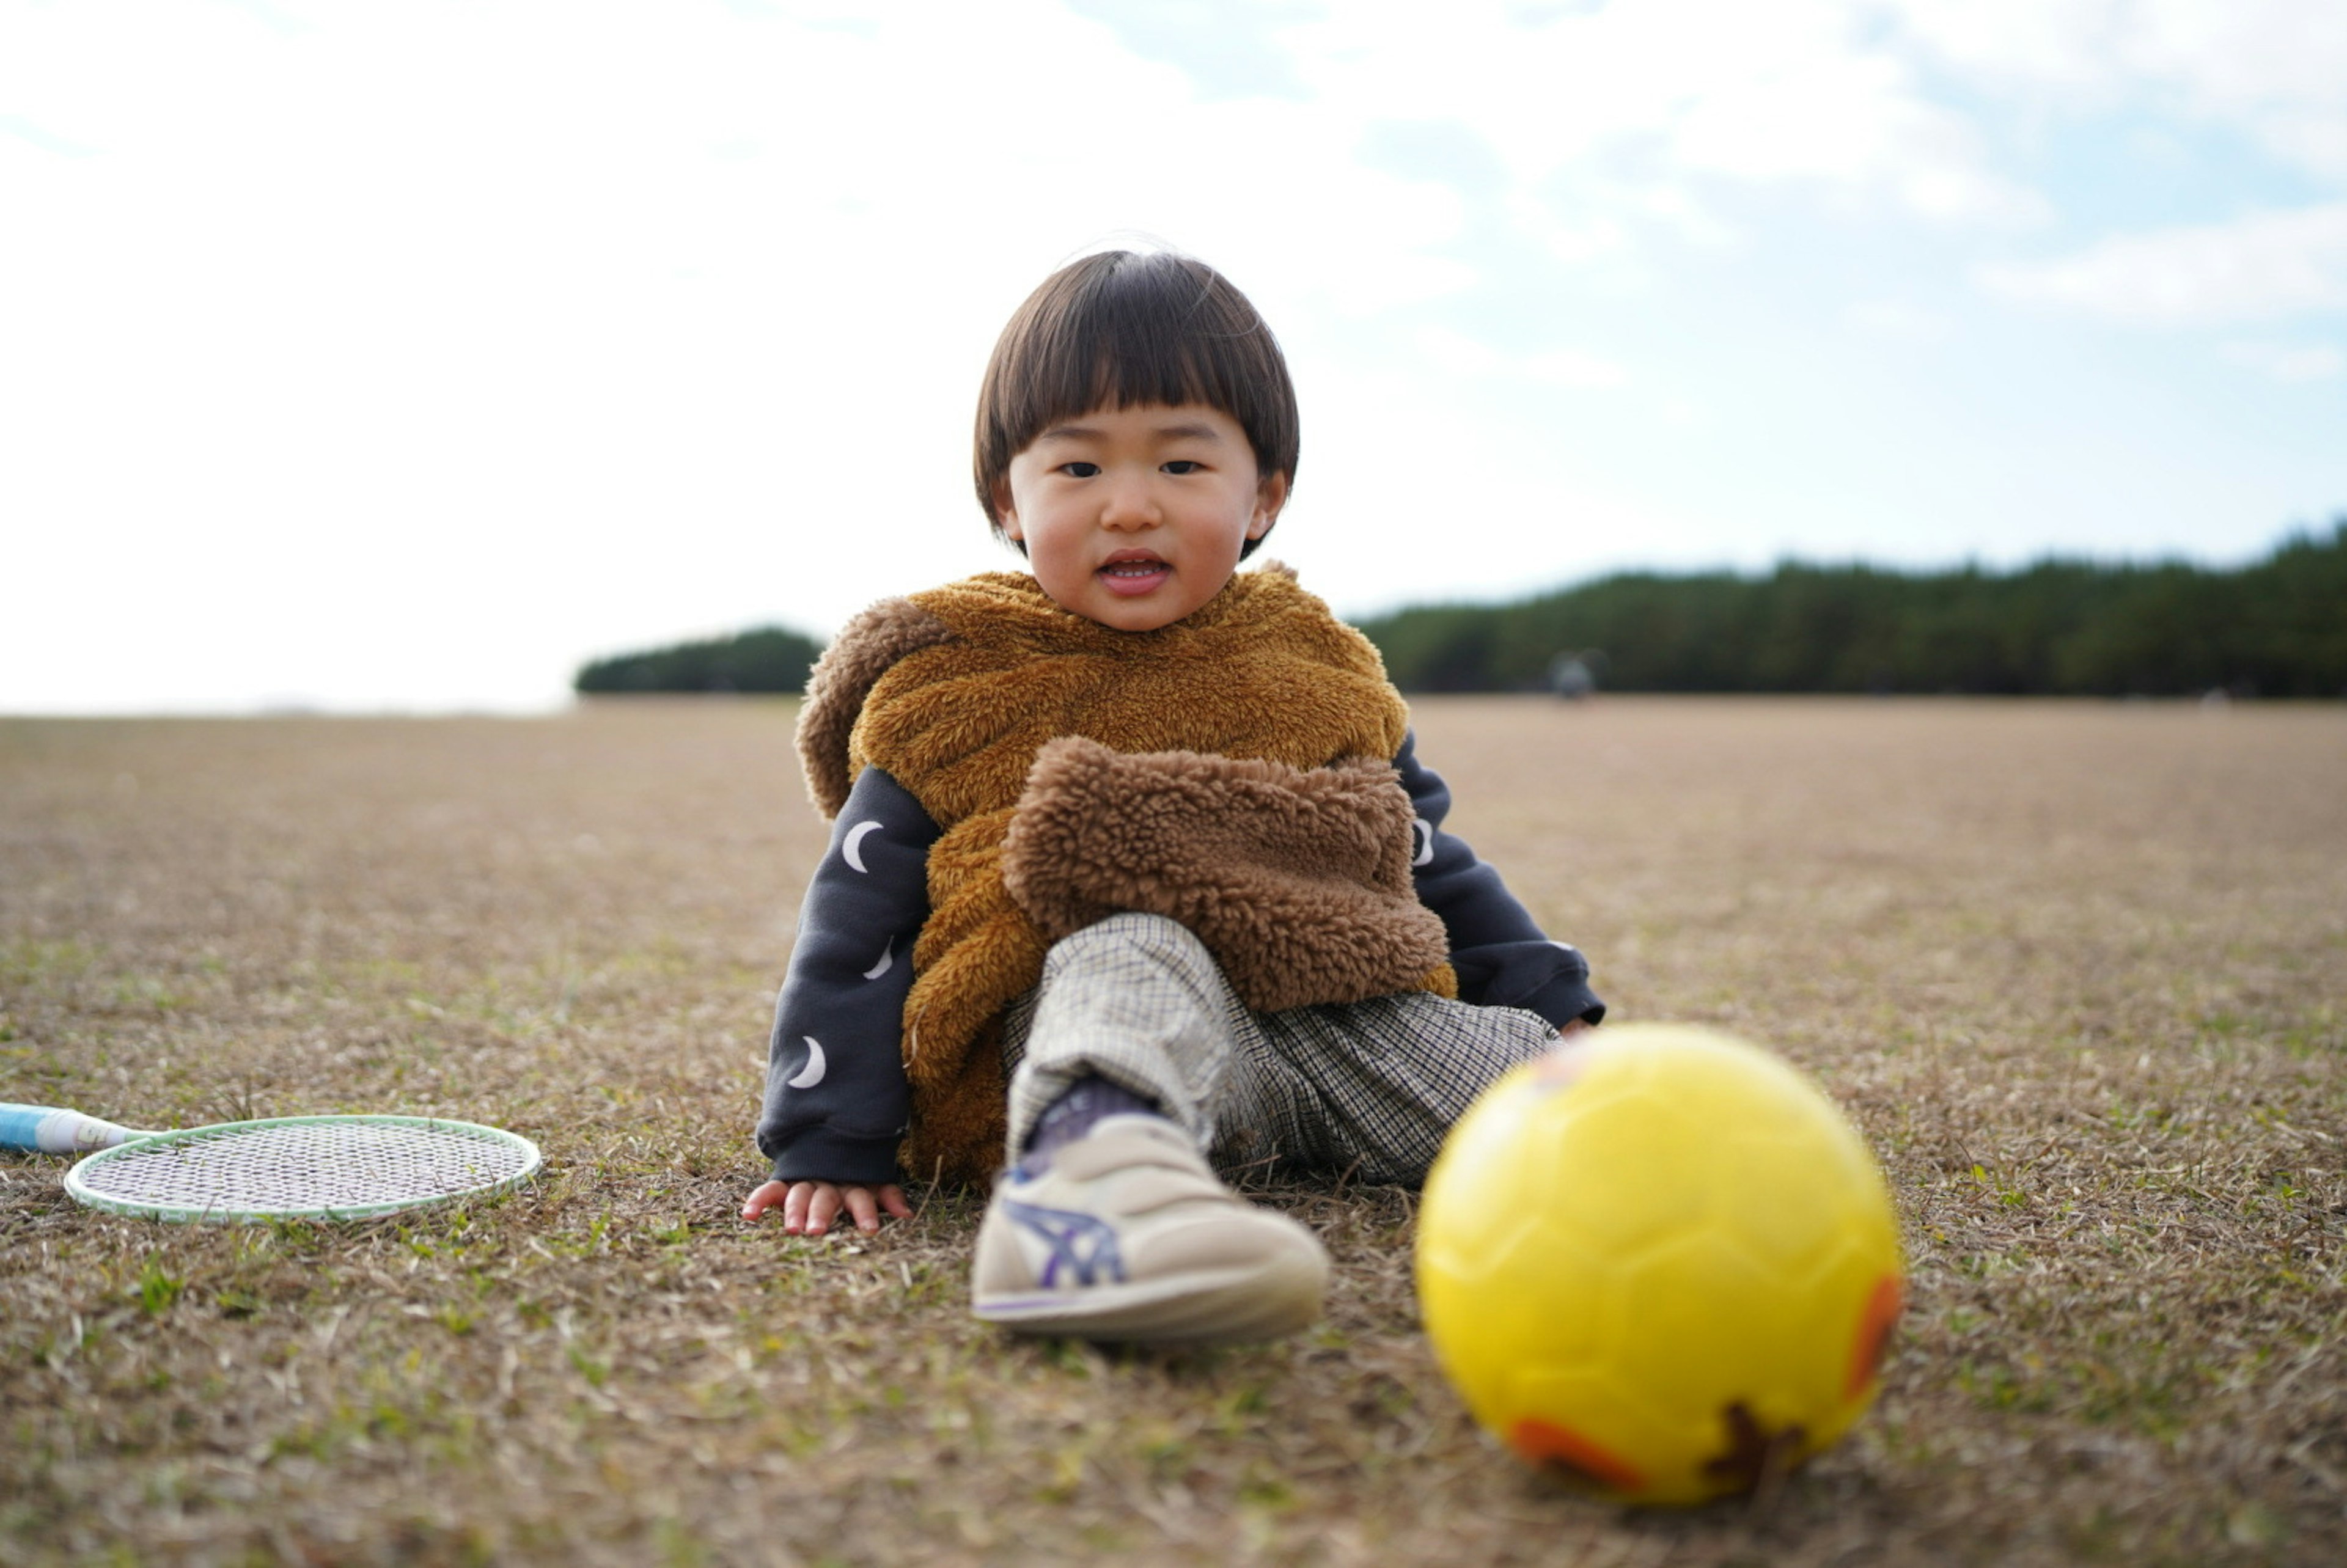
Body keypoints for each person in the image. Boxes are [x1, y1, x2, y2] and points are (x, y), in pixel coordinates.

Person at [741, 249, 1602, 1344]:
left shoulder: (1314, 666)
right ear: (1010, 499)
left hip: (1324, 1032)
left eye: (1184, 467)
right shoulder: (956, 677)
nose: (1132, 507)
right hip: (1065, 1038)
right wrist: (827, 1134)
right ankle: (1085, 1202)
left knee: (1527, 1087)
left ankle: (1627, 1149)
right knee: (1132, 941)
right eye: (1081, 470)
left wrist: (1551, 1003)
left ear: (1264, 496)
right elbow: (855, 919)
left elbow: (1425, 852)